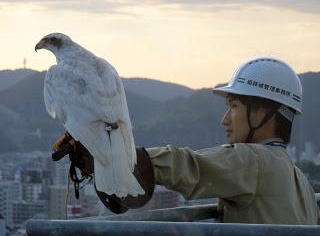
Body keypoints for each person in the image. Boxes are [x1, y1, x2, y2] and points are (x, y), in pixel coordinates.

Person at [52, 57, 319, 224]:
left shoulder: (255, 160)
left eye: (234, 106)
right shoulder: (300, 182)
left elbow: (188, 165)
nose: (225, 119)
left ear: (263, 113)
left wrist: (112, 156)